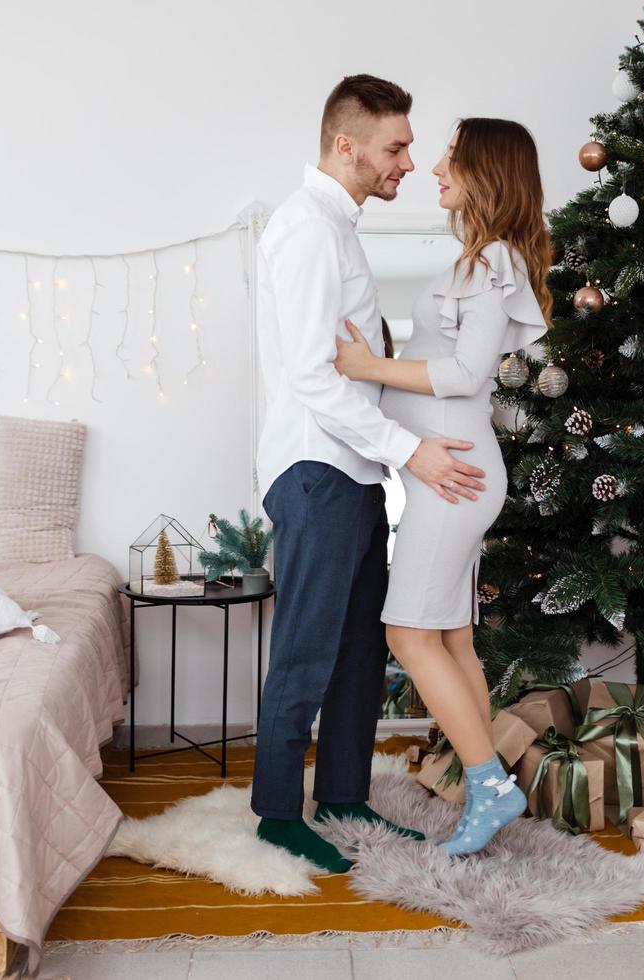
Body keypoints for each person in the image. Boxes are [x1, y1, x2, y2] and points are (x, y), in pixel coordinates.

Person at [251, 74, 487, 874]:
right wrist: (410, 449)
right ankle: (277, 812)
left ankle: (345, 794)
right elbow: (316, 377)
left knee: (359, 648)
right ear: (346, 145)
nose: (409, 162)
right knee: (307, 651)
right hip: (317, 470)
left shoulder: (340, 228)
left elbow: (359, 365)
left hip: (350, 473)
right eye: (396, 146)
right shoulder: (308, 231)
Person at [333, 117, 551, 854]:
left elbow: (465, 376)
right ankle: (479, 783)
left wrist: (369, 371)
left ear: (488, 172)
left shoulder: (492, 265)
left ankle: (489, 784)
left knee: (407, 633)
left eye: (452, 159)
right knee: (450, 635)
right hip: (453, 474)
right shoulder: (483, 261)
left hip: (453, 479)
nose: (433, 169)